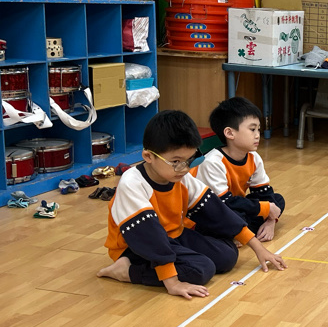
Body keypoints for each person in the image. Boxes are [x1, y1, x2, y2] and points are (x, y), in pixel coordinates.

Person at [97, 110, 285, 299]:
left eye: (189, 161)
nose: (185, 169)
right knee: (202, 269)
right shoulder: (132, 183)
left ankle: (164, 265)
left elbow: (215, 210)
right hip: (135, 246)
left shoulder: (180, 176)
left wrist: (258, 248)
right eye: (176, 162)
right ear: (148, 156)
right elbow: (148, 235)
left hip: (173, 236)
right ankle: (127, 271)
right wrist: (172, 283)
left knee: (227, 256)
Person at [193, 96, 284, 242]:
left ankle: (239, 232)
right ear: (230, 133)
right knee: (234, 216)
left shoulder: (253, 157)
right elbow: (223, 203)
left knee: (277, 200)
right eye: (252, 129)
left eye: (258, 129)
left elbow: (264, 193)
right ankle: (239, 232)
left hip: (233, 206)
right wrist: (266, 209)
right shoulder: (213, 162)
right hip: (212, 211)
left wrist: (271, 221)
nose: (257, 135)